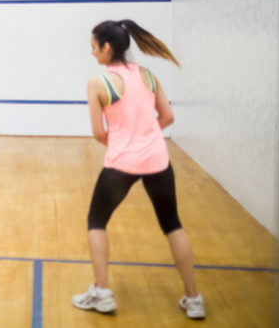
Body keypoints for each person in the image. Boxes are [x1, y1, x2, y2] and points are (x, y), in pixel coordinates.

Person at [71, 20, 205, 319]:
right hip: (158, 160)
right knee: (172, 224)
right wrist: (145, 138)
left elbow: (98, 132)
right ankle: (193, 299)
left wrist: (125, 145)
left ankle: (102, 293)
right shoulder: (148, 75)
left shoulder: (98, 82)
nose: (92, 53)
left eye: (94, 47)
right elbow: (167, 117)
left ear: (107, 47)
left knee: (96, 220)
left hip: (122, 162)